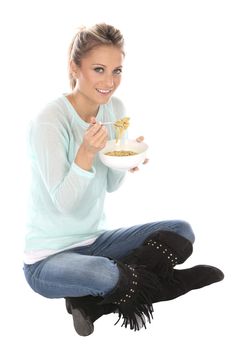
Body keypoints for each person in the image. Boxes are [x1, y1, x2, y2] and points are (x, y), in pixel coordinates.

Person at [23, 23, 224, 336]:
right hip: (47, 260)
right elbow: (63, 204)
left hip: (96, 241)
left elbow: (111, 186)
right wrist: (86, 152)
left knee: (180, 232)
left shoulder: (114, 109)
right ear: (75, 67)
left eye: (117, 70)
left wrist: (122, 160)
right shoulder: (50, 120)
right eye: (99, 69)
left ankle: (92, 305)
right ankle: (168, 286)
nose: (109, 82)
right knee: (103, 272)